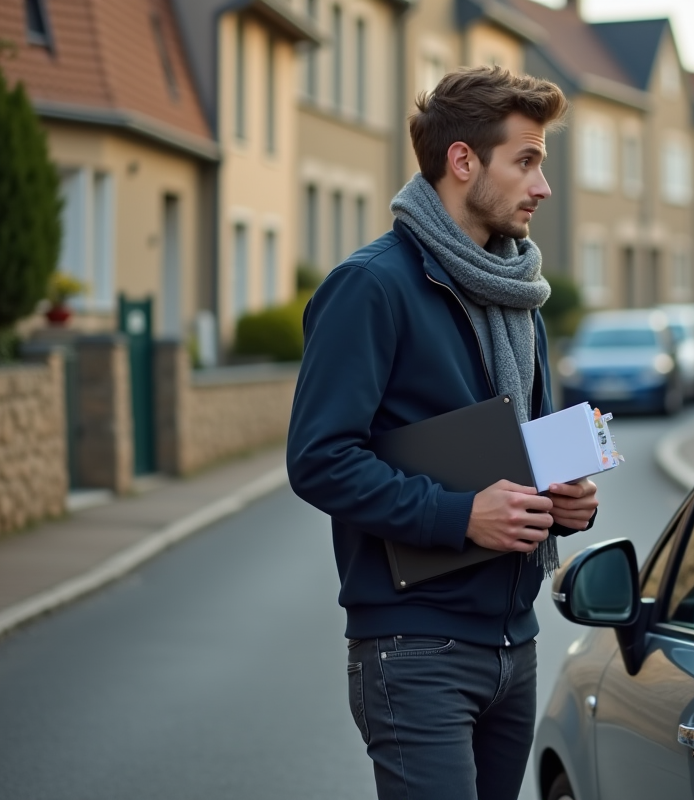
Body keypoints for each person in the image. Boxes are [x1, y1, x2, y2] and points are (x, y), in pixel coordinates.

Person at [286, 66, 598, 800]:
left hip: (513, 643)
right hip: (414, 647)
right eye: (526, 161)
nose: (542, 186)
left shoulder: (519, 294)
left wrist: (570, 497)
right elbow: (320, 460)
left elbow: (534, 440)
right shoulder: (371, 286)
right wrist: (461, 515)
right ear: (463, 162)